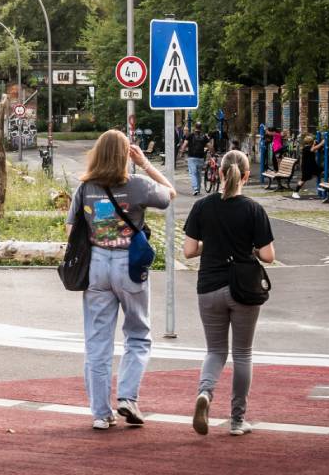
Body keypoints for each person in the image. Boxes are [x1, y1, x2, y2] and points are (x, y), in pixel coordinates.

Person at [65, 130, 176, 430]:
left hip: (97, 267)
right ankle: (127, 397)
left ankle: (101, 414)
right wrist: (146, 164)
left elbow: (70, 229)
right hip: (130, 264)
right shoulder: (137, 185)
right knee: (138, 333)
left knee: (97, 341)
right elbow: (169, 194)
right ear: (126, 155)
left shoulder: (85, 188)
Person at [182, 150, 275, 437]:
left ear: (219, 173)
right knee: (242, 354)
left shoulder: (201, 207)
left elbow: (188, 251)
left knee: (215, 351)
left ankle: (205, 395)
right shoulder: (253, 209)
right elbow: (268, 256)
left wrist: (208, 246)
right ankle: (237, 420)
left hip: (209, 286)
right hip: (243, 288)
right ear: (246, 175)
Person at [180, 122, 211, 195]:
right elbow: (210, 146)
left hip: (192, 157)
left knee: (193, 173)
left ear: (195, 127)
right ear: (201, 127)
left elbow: (184, 145)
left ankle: (195, 189)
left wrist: (182, 152)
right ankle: (199, 189)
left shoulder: (190, 135)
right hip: (201, 157)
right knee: (199, 174)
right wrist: (213, 153)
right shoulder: (204, 136)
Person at [292, 134, 326, 199]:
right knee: (303, 180)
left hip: (312, 166)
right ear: (310, 142)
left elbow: (314, 149)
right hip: (307, 167)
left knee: (321, 170)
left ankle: (323, 188)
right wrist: (322, 143)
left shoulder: (309, 147)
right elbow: (313, 149)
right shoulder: (306, 148)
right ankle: (295, 192)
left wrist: (317, 144)